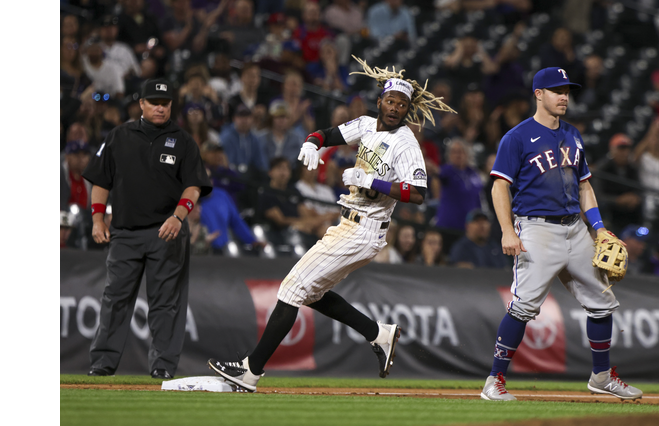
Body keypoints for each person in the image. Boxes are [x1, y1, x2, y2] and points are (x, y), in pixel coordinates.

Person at [207, 58, 455, 392]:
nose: (395, 108)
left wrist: (373, 181)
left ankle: (250, 372)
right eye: (391, 100)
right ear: (380, 100)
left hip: (365, 228)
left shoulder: (406, 142)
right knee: (312, 293)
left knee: (291, 289)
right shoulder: (367, 124)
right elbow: (326, 133)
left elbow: (419, 193)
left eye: (402, 104)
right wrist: (311, 142)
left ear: (408, 110)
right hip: (349, 224)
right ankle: (378, 334)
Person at [481, 67, 642, 401]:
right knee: (523, 307)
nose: (564, 96)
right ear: (538, 94)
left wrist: (598, 228)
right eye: (556, 90)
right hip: (536, 228)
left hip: (575, 227)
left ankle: (601, 376)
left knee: (602, 302)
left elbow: (585, 186)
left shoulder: (573, 134)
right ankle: (494, 380)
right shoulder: (517, 137)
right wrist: (507, 230)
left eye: (567, 90)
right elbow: (499, 187)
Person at [83, 78, 212, 379]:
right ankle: (102, 362)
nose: (160, 108)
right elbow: (101, 180)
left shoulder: (183, 141)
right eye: (154, 102)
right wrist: (97, 219)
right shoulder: (119, 136)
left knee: (166, 303)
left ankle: (163, 366)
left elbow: (193, 187)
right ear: (141, 104)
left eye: (165, 103)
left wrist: (178, 217)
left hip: (166, 232)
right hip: (125, 233)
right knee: (114, 297)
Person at [591, 133, 643, 232]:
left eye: (627, 148)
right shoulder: (603, 168)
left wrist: (635, 198)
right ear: (612, 149)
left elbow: (639, 189)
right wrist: (617, 200)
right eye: (621, 148)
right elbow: (597, 196)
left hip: (629, 211)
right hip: (610, 212)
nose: (625, 152)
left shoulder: (632, 168)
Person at [219, 104, 270, 175]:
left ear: (252, 119)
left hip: (248, 176)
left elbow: (261, 163)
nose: (244, 120)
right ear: (234, 118)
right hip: (231, 175)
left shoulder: (254, 139)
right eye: (240, 117)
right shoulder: (226, 137)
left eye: (247, 117)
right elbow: (227, 163)